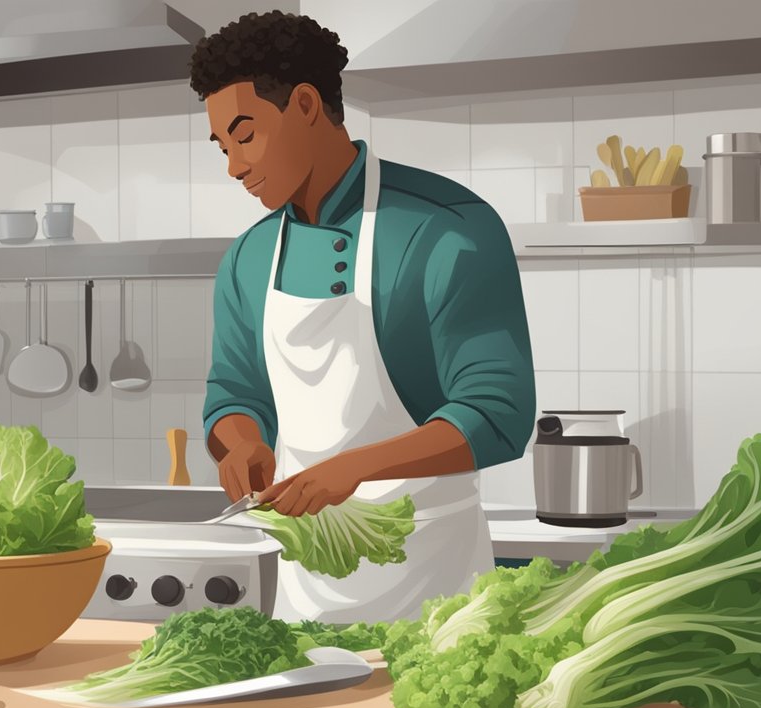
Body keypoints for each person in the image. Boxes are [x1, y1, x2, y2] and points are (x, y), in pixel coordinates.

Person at [191, 11, 537, 623]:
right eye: (222, 147)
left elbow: (497, 413)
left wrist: (352, 469)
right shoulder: (247, 259)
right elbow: (233, 392)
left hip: (434, 582)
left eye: (245, 137)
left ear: (304, 104)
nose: (234, 166)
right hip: (305, 583)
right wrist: (241, 444)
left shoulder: (447, 227)